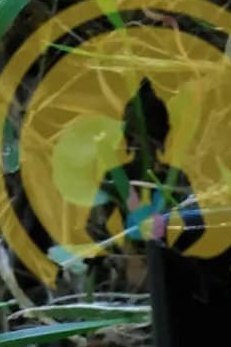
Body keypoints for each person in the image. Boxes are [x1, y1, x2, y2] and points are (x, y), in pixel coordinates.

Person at [84, 79, 205, 253]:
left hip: (153, 261)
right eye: (138, 138)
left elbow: (197, 226)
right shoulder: (117, 177)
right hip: (145, 261)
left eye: (145, 139)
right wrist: (123, 257)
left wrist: (170, 256)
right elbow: (95, 226)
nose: (141, 144)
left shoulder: (174, 177)